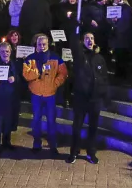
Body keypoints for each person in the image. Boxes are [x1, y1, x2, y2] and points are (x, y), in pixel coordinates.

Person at [22, 33, 67, 156]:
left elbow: (63, 73)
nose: (42, 46)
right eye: (39, 44)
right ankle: (37, 144)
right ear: (36, 45)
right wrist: (37, 73)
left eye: (44, 44)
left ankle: (53, 145)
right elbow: (26, 75)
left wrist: (55, 84)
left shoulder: (55, 57)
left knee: (51, 121)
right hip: (36, 94)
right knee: (36, 120)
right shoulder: (30, 58)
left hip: (50, 95)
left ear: (48, 44)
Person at [68, 32, 107, 164]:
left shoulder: (99, 58)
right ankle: (74, 152)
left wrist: (104, 94)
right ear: (82, 41)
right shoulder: (80, 56)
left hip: (95, 99)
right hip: (81, 98)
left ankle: (91, 152)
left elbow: (104, 77)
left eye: (91, 38)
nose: (89, 40)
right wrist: (74, 26)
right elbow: (74, 45)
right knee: (77, 127)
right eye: (86, 38)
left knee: (93, 127)